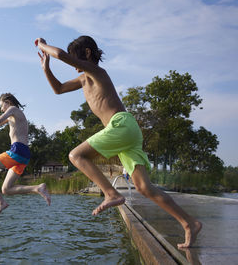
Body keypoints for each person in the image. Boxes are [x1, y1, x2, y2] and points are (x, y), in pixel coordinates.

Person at [35, 36, 201, 248]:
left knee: (76, 155)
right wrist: (45, 68)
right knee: (144, 188)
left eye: (76, 57)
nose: (73, 65)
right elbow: (57, 89)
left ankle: (111, 193)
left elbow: (61, 55)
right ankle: (190, 223)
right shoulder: (83, 79)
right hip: (126, 131)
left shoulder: (97, 72)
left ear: (86, 54)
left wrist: (42, 46)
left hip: (120, 125)